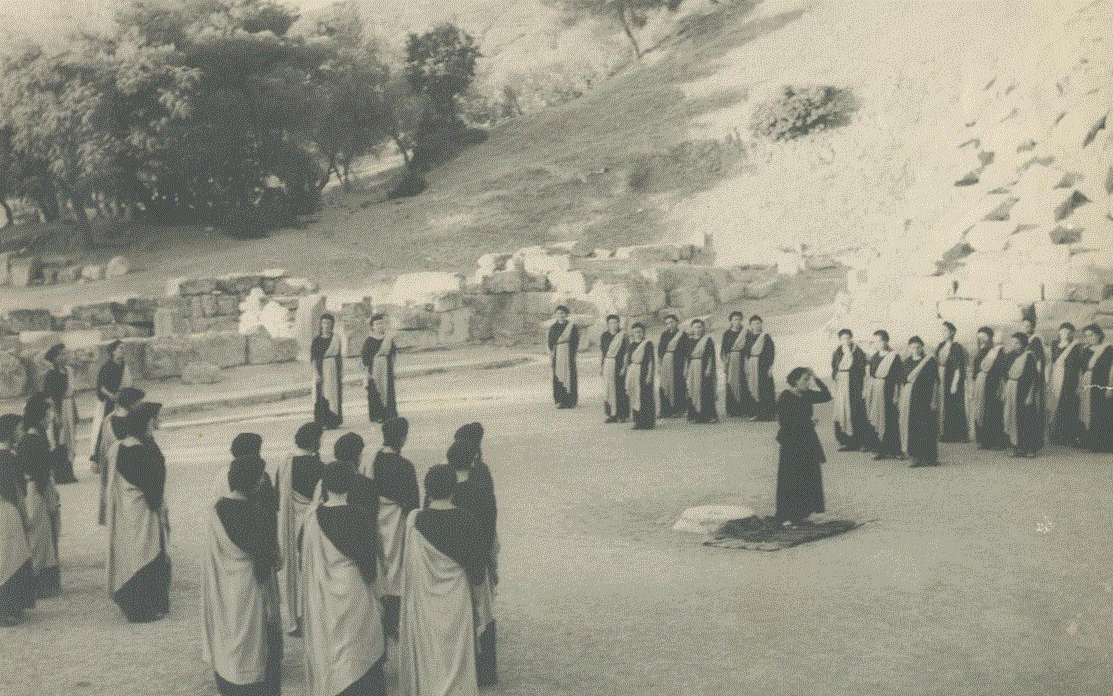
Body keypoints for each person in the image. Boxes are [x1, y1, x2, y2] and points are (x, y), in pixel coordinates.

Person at [399, 465, 485, 696]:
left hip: (425, 602)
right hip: (457, 600)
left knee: (430, 655)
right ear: (454, 489)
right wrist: (478, 606)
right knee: (457, 655)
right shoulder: (467, 520)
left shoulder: (416, 521)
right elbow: (477, 572)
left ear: (427, 490)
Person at [302, 462, 386, 696]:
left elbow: (303, 554)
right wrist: (378, 595)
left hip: (325, 596)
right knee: (361, 649)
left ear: (324, 486)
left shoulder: (312, 518)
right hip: (355, 590)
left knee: (333, 649)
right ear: (350, 485)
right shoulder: (360, 515)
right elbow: (370, 565)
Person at [203, 455, 284, 696]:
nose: (262, 481)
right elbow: (264, 564)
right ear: (252, 481)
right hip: (252, 589)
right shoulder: (257, 513)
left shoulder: (216, 509)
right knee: (257, 642)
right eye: (259, 478)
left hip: (225, 585)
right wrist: (272, 603)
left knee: (229, 636)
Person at [106, 402, 170, 622]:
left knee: (131, 553)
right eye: (155, 420)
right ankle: (144, 608)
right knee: (146, 553)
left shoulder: (120, 448)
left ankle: (137, 604)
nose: (158, 423)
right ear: (147, 423)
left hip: (126, 511)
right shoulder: (141, 452)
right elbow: (153, 485)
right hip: (143, 512)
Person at [364, 417, 420, 642]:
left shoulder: (373, 461)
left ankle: (380, 614)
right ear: (403, 438)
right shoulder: (405, 466)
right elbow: (413, 502)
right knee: (396, 565)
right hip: (397, 519)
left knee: (380, 563)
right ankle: (394, 620)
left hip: (377, 516)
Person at [448, 437, 498, 687]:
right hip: (478, 561)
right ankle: (486, 673)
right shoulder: (482, 492)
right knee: (484, 614)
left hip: (452, 567)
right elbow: (490, 529)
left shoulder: (446, 494)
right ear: (471, 462)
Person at [276, 421, 323, 637]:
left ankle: (296, 615)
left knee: (294, 570)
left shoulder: (286, 464)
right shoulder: (318, 467)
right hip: (310, 521)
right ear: (316, 441)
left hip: (291, 520)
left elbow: (278, 496)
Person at [773, 368, 831, 529]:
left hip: (807, 440)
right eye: (804, 380)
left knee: (807, 476)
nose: (807, 383)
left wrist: (816, 377)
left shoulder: (807, 394)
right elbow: (785, 423)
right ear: (795, 381)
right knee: (791, 478)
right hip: (792, 442)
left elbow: (827, 396)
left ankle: (801, 514)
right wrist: (808, 423)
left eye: (808, 380)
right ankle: (786, 515)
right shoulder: (785, 397)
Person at [19, 395, 59, 598]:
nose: (50, 418)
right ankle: (36, 584)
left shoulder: (35, 437)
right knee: (39, 538)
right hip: (36, 491)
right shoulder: (32, 440)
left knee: (45, 538)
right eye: (47, 414)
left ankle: (43, 583)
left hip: (39, 488)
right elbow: (37, 471)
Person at [1, 414, 34, 626]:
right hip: (7, 510)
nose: (22, 433)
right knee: (12, 558)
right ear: (10, 432)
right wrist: (24, 515)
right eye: (19, 429)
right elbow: (17, 491)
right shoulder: (9, 457)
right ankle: (7, 608)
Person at [98, 387, 144, 527]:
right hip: (130, 466)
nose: (141, 405)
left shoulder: (108, 420)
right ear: (132, 403)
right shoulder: (134, 419)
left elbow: (102, 445)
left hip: (113, 466)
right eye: (139, 402)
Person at [89, 341, 131, 474]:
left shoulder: (122, 365)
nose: (123, 351)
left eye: (123, 348)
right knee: (105, 429)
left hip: (120, 400)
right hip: (109, 402)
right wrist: (111, 396)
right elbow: (102, 387)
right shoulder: (108, 367)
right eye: (120, 348)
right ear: (113, 351)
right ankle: (97, 460)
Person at [898, 337, 940, 467]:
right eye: (912, 347)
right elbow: (903, 381)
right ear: (909, 348)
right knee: (912, 427)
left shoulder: (929, 361)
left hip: (925, 397)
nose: (915, 350)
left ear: (922, 347)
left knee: (927, 426)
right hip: (910, 398)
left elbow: (935, 381)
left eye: (918, 347)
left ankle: (929, 458)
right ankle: (914, 457)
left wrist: (934, 400)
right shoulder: (906, 362)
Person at [1003, 333, 1044, 458]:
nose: (1015, 345)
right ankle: (1016, 446)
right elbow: (1004, 374)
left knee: (1026, 419)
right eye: (1013, 342)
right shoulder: (1009, 356)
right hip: (1011, 390)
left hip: (1024, 391)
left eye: (1017, 343)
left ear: (1023, 344)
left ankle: (1029, 448)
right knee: (1012, 418)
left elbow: (1035, 378)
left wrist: (1030, 395)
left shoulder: (1029, 356)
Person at [41, 344, 78, 484]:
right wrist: (56, 415)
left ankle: (69, 471)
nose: (65, 356)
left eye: (65, 353)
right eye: (61, 354)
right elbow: (49, 397)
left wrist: (75, 412)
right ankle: (60, 474)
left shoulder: (68, 371)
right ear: (55, 358)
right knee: (59, 440)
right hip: (59, 408)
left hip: (69, 407)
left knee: (70, 439)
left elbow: (72, 395)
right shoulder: (51, 374)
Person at [969, 327, 1009, 450]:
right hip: (980, 383)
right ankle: (984, 440)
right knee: (981, 409)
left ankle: (996, 441)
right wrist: (973, 384)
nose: (982, 339)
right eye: (979, 337)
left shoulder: (997, 351)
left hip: (993, 383)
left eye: (984, 336)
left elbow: (1002, 369)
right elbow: (975, 369)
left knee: (993, 411)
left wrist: (1001, 386)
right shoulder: (979, 351)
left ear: (990, 337)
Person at [864, 330, 902, 460]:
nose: (877, 344)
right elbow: (871, 375)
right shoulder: (874, 356)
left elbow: (898, 378)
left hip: (888, 390)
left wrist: (897, 394)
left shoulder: (894, 357)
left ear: (886, 341)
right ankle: (877, 449)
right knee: (875, 416)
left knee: (890, 417)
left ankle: (893, 450)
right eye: (875, 341)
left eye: (879, 341)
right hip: (875, 390)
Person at [1047, 322, 1086, 447]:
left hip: (1069, 379)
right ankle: (1055, 435)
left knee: (1067, 405)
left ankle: (1067, 436)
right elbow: (1051, 361)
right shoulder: (1054, 344)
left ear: (1071, 334)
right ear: (1059, 332)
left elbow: (1077, 365)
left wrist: (1077, 383)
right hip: (1056, 376)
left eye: (1068, 332)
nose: (1065, 334)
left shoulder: (1075, 346)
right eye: (1063, 331)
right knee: (1055, 404)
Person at [830, 329, 869, 451]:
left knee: (856, 411)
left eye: (848, 338)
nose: (846, 340)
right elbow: (834, 367)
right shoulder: (837, 352)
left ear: (851, 338)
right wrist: (836, 375)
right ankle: (845, 442)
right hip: (841, 384)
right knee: (841, 411)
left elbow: (862, 368)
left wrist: (855, 380)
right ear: (840, 340)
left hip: (854, 385)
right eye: (843, 338)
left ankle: (861, 442)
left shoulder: (857, 351)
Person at [1079, 324, 1113, 453]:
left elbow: (1111, 370)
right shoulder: (1086, 350)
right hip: (1087, 383)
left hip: (1101, 385)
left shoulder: (1108, 349)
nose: (1089, 338)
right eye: (1087, 336)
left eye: (1092, 335)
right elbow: (1081, 370)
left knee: (1101, 412)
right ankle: (1089, 442)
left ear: (1099, 335)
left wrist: (1110, 388)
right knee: (1087, 410)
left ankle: (1102, 444)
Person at [935, 322, 969, 443]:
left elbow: (959, 367)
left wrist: (955, 383)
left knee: (954, 404)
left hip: (952, 378)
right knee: (942, 404)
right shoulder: (940, 346)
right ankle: (944, 433)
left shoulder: (957, 347)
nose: (943, 333)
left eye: (945, 330)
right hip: (941, 377)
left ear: (952, 332)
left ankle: (958, 435)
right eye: (942, 330)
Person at [311, 313, 344, 429]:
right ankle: (322, 421)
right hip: (321, 368)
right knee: (322, 395)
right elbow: (313, 359)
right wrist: (316, 373)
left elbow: (339, 356)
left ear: (332, 324)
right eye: (324, 323)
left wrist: (340, 371)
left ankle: (334, 421)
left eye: (329, 323)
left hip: (333, 369)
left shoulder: (336, 339)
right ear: (321, 324)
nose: (326, 325)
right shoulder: (317, 340)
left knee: (334, 395)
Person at [362, 314, 397, 424]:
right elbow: (364, 357)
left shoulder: (388, 338)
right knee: (375, 391)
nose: (380, 325)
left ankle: (389, 414)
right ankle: (378, 416)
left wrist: (392, 367)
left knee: (388, 390)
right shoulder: (369, 340)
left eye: (381, 323)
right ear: (372, 326)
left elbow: (393, 353)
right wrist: (366, 372)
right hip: (374, 368)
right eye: (377, 324)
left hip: (386, 367)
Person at [1019, 318, 1046, 453]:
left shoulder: (1035, 340)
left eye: (1028, 326)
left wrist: (1038, 376)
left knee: (1032, 407)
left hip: (1032, 375)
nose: (1025, 327)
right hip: (1022, 375)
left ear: (1032, 327)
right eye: (1023, 325)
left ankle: (1035, 441)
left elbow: (1039, 360)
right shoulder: (1021, 339)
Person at [742, 315, 776, 421]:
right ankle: (755, 413)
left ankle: (767, 414)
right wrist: (747, 364)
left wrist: (769, 367)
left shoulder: (765, 337)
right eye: (754, 323)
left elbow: (770, 352)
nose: (756, 325)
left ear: (761, 324)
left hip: (763, 365)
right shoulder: (748, 337)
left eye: (758, 323)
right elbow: (746, 352)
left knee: (765, 389)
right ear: (750, 325)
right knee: (753, 387)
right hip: (752, 364)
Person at [685, 319, 718, 423]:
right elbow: (686, 357)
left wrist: (708, 368)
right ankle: (695, 416)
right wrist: (686, 369)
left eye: (699, 327)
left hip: (703, 366)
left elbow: (711, 356)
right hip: (693, 367)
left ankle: (709, 416)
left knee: (706, 390)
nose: (698, 329)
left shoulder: (707, 340)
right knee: (693, 389)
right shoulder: (689, 340)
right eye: (695, 327)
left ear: (703, 328)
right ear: (692, 328)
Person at [657, 314, 690, 418]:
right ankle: (665, 410)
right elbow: (660, 351)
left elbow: (687, 352)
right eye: (667, 323)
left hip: (678, 362)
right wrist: (659, 365)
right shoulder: (664, 335)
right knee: (664, 385)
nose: (670, 325)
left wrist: (686, 367)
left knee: (678, 385)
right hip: (666, 362)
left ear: (676, 322)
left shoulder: (683, 335)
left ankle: (679, 410)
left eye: (671, 322)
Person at [625, 322, 656, 430]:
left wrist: (649, 375)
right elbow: (629, 360)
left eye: (639, 332)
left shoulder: (648, 343)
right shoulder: (632, 344)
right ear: (632, 333)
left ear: (643, 332)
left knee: (645, 396)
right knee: (635, 395)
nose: (637, 334)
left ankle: (648, 422)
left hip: (644, 371)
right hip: (634, 371)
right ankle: (638, 422)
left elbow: (651, 361)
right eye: (635, 332)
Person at [548, 306, 579, 409]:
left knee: (570, 376)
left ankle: (571, 401)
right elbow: (550, 342)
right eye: (558, 313)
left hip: (568, 354)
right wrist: (553, 353)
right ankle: (559, 401)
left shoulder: (572, 326)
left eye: (562, 313)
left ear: (566, 314)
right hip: (557, 354)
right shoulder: (553, 327)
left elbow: (575, 341)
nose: (560, 315)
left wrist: (571, 353)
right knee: (558, 376)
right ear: (556, 314)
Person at [600, 314, 629, 423]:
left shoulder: (623, 335)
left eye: (615, 322)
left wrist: (624, 367)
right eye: (611, 323)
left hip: (619, 364)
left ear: (618, 323)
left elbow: (626, 353)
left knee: (620, 389)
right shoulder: (604, 336)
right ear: (608, 324)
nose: (613, 325)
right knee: (609, 389)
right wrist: (602, 366)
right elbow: (603, 353)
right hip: (608, 363)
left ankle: (622, 415)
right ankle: (611, 414)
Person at [721, 312, 747, 417]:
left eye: (739, 319)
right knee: (731, 382)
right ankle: (732, 410)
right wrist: (725, 362)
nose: (737, 322)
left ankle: (744, 409)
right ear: (731, 321)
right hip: (731, 360)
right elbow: (724, 349)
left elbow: (748, 347)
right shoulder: (727, 333)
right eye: (735, 319)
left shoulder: (745, 332)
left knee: (743, 382)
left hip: (742, 360)